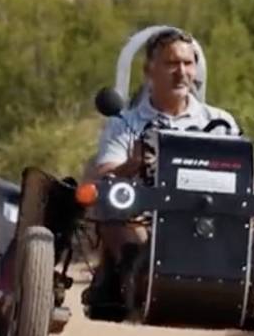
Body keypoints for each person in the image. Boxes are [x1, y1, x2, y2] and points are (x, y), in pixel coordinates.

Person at [84, 28, 241, 308]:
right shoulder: (125, 122)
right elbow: (104, 174)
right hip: (144, 219)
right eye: (171, 64)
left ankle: (251, 280)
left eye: (187, 63)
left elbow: (245, 172)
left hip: (210, 217)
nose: (181, 72)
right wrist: (131, 165)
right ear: (149, 71)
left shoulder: (220, 121)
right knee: (110, 197)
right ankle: (134, 277)